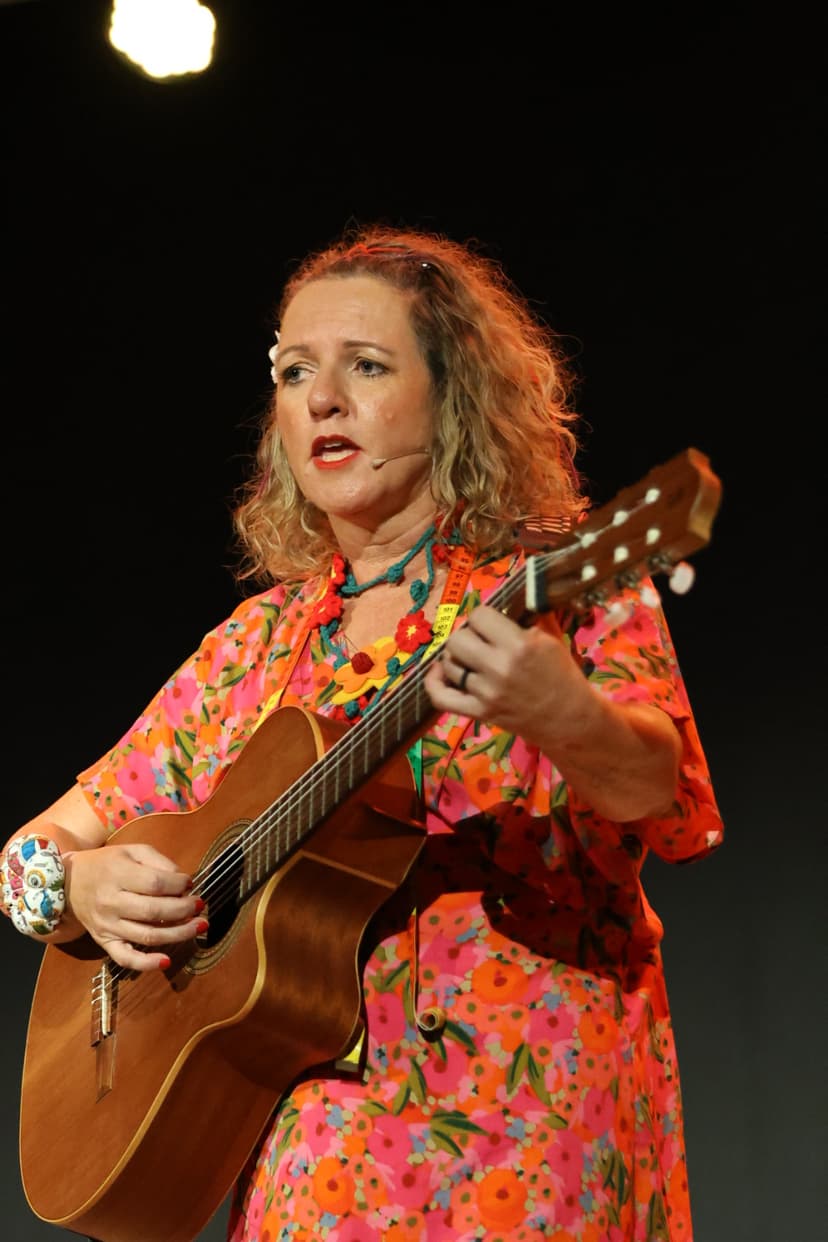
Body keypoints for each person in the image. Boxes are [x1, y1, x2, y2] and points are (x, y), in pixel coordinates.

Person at [1, 224, 723, 1242]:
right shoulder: (255, 648)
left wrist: (562, 712)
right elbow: (27, 854)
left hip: (532, 1117)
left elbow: (665, 799)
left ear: (456, 396)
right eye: (295, 372)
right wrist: (76, 887)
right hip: (318, 1147)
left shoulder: (557, 589)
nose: (322, 400)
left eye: (367, 366)